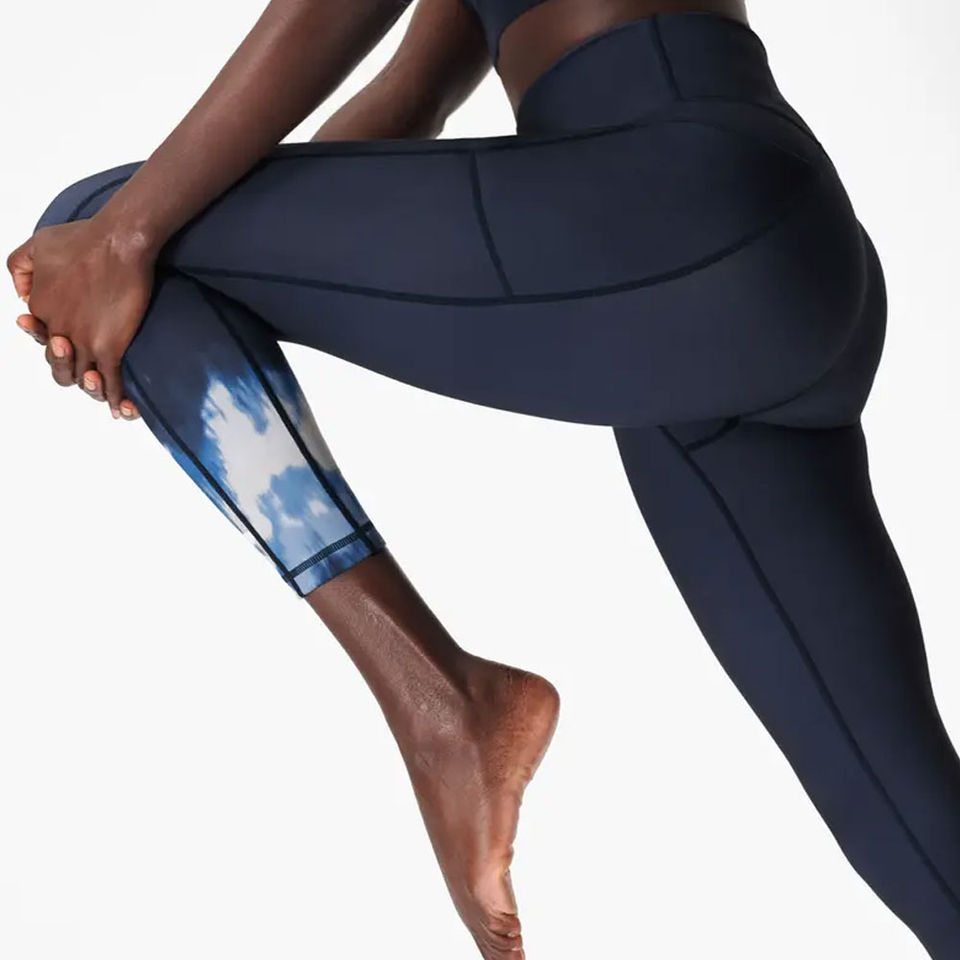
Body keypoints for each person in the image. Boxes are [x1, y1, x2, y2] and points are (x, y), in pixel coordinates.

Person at [8, 0, 960, 956]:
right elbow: (410, 102)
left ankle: (446, 709)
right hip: (749, 261)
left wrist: (126, 243)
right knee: (899, 806)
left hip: (674, 213)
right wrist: (204, 316)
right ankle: (453, 710)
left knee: (94, 224)